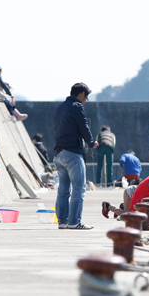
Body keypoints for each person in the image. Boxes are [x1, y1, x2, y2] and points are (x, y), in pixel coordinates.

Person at [53, 82, 97, 230]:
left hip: (59, 153)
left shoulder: (60, 108)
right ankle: (74, 222)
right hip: (72, 153)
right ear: (82, 94)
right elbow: (84, 126)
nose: (86, 101)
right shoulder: (77, 107)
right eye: (86, 97)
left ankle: (62, 222)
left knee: (63, 190)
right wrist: (91, 142)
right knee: (79, 189)